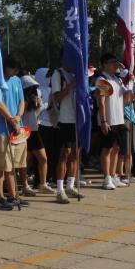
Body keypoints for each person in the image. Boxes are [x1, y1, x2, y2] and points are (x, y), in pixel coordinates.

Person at [0, 55, 29, 210]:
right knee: (0, 164)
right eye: (14, 69)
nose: (16, 72)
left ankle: (13, 195)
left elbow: (22, 101)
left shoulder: (17, 80)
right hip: (0, 128)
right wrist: (11, 119)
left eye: (18, 70)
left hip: (16, 128)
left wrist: (18, 116)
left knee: (12, 164)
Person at [96, 54, 134, 190]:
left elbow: (126, 99)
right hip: (109, 120)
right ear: (104, 64)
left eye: (116, 62)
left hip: (119, 119)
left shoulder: (117, 80)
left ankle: (113, 175)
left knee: (117, 149)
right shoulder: (102, 79)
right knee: (107, 149)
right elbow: (101, 102)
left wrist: (130, 83)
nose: (115, 65)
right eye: (112, 62)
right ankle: (106, 178)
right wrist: (104, 121)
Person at [20, 75, 54, 198]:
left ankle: (42, 183)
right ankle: (25, 186)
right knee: (25, 161)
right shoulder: (22, 100)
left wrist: (40, 105)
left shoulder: (35, 98)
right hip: (24, 132)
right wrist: (41, 106)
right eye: (32, 88)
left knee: (43, 158)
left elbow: (35, 115)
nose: (34, 91)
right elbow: (24, 115)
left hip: (34, 131)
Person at [51, 65, 81, 203]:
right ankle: (59, 190)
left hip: (78, 119)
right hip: (65, 119)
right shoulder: (58, 74)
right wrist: (70, 86)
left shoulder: (77, 72)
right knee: (64, 154)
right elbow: (56, 98)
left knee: (75, 154)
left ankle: (70, 186)